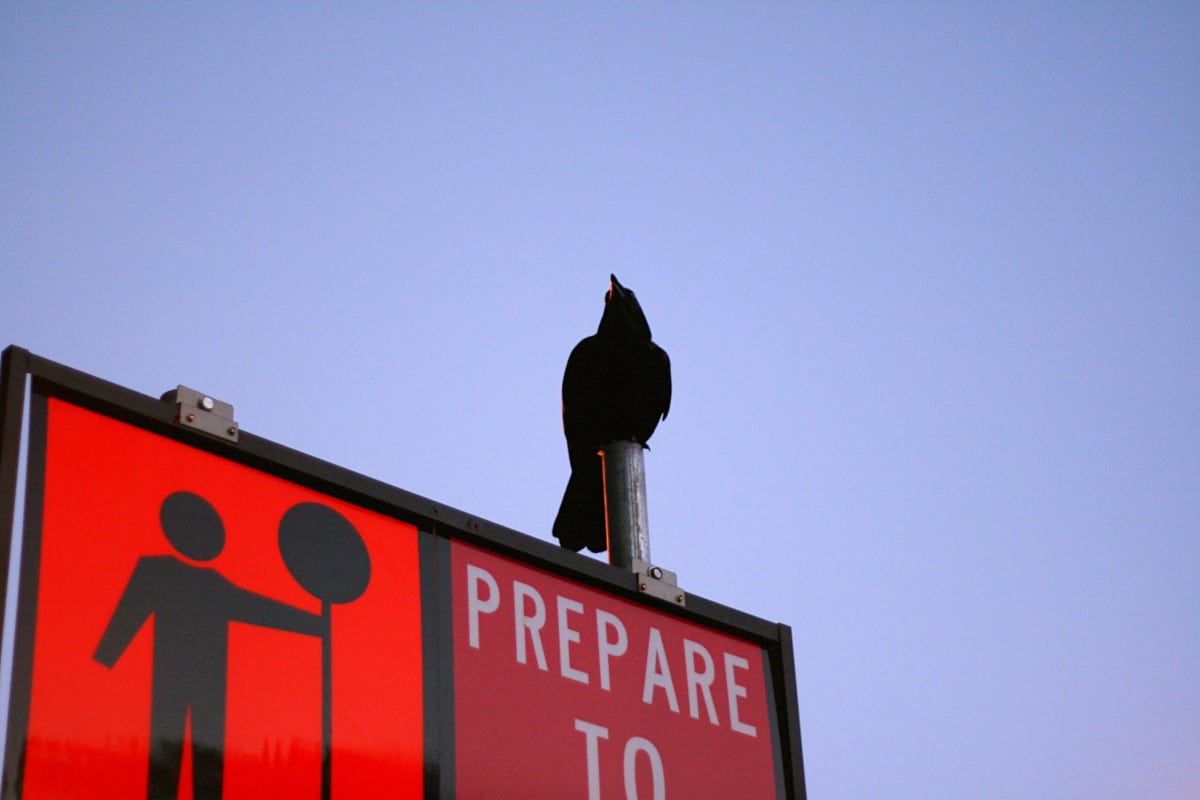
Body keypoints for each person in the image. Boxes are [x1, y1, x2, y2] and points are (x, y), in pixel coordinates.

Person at [94, 491, 324, 800]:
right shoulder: (157, 571)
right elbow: (127, 615)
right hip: (171, 677)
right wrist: (106, 658)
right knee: (167, 751)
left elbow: (260, 608)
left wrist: (315, 624)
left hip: (209, 685)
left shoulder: (213, 583)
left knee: (208, 758)